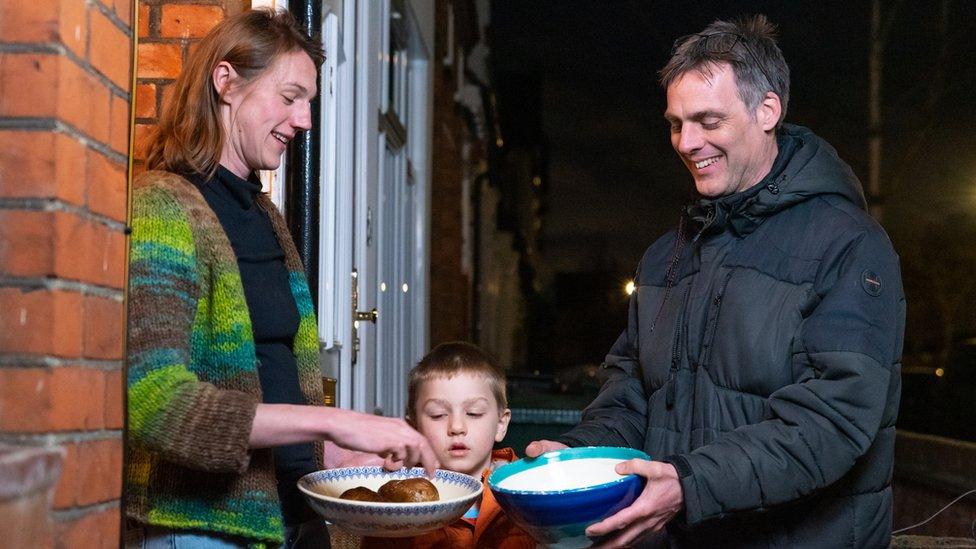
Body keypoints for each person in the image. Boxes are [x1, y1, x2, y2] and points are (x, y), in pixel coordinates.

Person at [527, 15, 905, 548]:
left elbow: (833, 420)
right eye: (676, 123)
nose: (686, 142)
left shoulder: (848, 245)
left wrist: (689, 484)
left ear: (767, 110)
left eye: (708, 120)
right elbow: (632, 388)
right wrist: (585, 453)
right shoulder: (667, 255)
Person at [125, 9, 437, 548]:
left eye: (309, 102)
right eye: (290, 96)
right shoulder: (162, 205)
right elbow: (153, 403)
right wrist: (331, 423)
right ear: (226, 82)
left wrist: (340, 457)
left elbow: (266, 383)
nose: (305, 120)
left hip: (290, 518)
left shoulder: (265, 216)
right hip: (203, 530)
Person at [363, 342, 536, 549]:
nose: (456, 427)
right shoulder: (394, 506)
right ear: (414, 428)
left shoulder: (528, 491)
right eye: (438, 415)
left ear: (500, 424)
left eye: (474, 413)